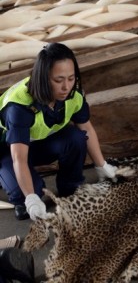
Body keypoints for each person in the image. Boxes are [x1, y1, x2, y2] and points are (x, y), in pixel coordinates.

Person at [0, 43, 117, 221]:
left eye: (71, 78)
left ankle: (70, 186)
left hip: (36, 145)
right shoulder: (19, 107)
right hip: (8, 152)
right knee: (29, 197)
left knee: (76, 138)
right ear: (43, 78)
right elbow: (19, 158)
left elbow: (86, 127)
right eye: (58, 80)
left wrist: (101, 166)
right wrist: (31, 198)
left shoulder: (73, 94)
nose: (66, 87)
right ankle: (19, 193)